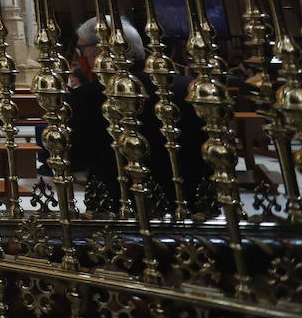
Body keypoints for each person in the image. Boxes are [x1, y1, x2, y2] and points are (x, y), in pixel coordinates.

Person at [67, 16, 205, 210]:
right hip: (189, 200)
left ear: (101, 50)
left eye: (82, 50)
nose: (81, 57)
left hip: (118, 203)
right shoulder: (189, 88)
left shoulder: (88, 96)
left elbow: (74, 158)